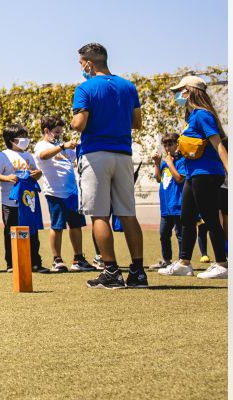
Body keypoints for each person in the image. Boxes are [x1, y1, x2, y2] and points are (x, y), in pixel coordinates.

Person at [72, 42, 149, 289]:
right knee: (128, 214)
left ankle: (111, 271)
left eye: (81, 63)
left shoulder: (85, 88)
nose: (81, 67)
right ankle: (137, 272)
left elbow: (79, 124)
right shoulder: (128, 86)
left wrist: (77, 120)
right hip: (123, 155)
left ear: (89, 63)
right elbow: (136, 122)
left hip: (95, 155)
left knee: (99, 215)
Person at [158, 75, 229, 280]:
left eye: (181, 90)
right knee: (186, 218)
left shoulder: (202, 115)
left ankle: (222, 264)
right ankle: (184, 263)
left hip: (206, 174)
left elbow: (218, 144)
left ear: (190, 92)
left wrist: (229, 170)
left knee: (210, 219)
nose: (178, 95)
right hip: (193, 174)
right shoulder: (191, 118)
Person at [34, 115, 96, 272]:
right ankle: (57, 259)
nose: (59, 135)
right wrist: (63, 147)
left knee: (76, 225)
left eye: (61, 132)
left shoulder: (62, 146)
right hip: (55, 192)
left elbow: (76, 158)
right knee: (57, 226)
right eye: (56, 132)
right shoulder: (41, 145)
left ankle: (78, 258)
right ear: (46, 131)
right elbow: (43, 156)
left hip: (72, 192)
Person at [0, 123, 46, 272]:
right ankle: (12, 264)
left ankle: (35, 262)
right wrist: (7, 178)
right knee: (11, 232)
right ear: (11, 140)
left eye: (26, 136)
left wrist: (37, 174)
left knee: (32, 232)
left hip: (28, 203)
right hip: (10, 202)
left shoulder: (28, 156)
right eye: (22, 137)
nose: (25, 139)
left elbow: (35, 173)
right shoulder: (3, 155)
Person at [149, 134, 186, 271]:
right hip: (166, 207)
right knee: (164, 234)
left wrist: (170, 163)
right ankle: (166, 260)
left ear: (177, 144)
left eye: (170, 144)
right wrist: (157, 164)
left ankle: (183, 262)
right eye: (165, 145)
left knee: (180, 234)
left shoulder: (181, 161)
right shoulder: (164, 162)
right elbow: (158, 179)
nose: (167, 148)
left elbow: (179, 179)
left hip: (177, 204)